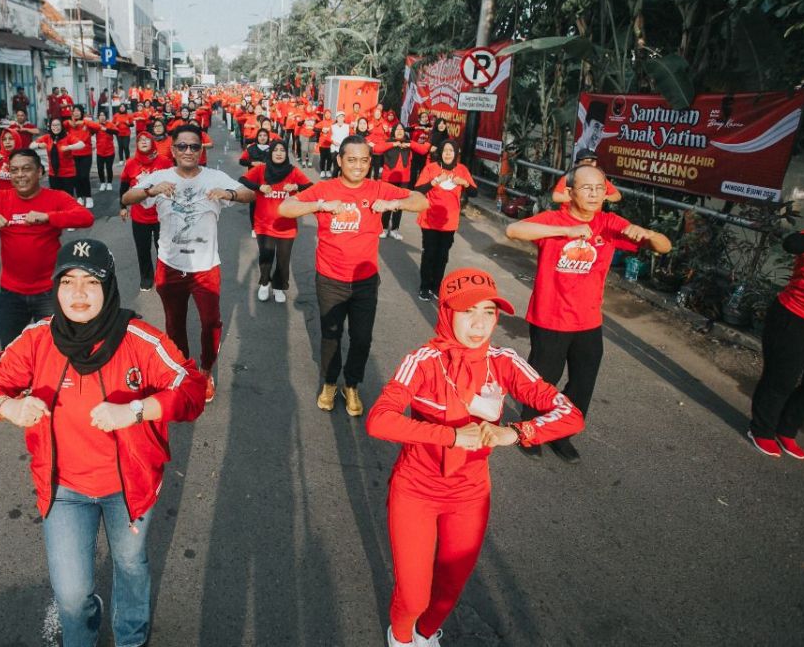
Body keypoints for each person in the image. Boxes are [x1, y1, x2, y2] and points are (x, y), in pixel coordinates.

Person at [0, 237, 206, 647]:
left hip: (128, 489)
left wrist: (134, 410)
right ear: (55, 288)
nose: (78, 294)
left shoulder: (139, 338)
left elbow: (193, 388)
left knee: (130, 565)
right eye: (67, 281)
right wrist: (9, 407)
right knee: (72, 595)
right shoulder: (37, 338)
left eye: (91, 282)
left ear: (109, 286)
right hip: (65, 490)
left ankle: (132, 638)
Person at [366, 268, 584, 647]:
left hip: (470, 494)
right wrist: (450, 435)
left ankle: (425, 634)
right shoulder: (424, 360)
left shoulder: (503, 361)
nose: (480, 324)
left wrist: (516, 432)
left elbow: (570, 415)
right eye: (468, 312)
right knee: (414, 594)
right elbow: (379, 420)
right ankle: (400, 638)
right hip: (416, 489)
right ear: (447, 312)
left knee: (449, 590)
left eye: (488, 311)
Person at [505, 164, 671, 462]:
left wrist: (646, 232)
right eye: (586, 188)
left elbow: (664, 246)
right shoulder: (555, 220)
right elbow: (514, 230)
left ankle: (561, 432)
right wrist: (566, 231)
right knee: (542, 380)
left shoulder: (608, 223)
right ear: (569, 192)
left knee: (583, 383)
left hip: (588, 322)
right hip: (550, 318)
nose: (594, 194)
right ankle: (529, 428)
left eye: (599, 188)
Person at [279, 136, 429, 416]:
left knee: (362, 338)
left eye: (363, 160)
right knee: (331, 336)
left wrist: (392, 205)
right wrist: (321, 206)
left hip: (365, 280)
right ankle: (328, 383)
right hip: (330, 280)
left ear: (370, 162)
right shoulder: (325, 189)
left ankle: (352, 384)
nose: (358, 166)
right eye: (351, 160)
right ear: (339, 160)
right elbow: (285, 208)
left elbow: (421, 201)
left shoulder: (377, 188)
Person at [121, 124, 254, 402]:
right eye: (182, 146)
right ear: (173, 150)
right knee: (174, 324)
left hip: (205, 267)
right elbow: (126, 197)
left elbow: (249, 195)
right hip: (170, 265)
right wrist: (151, 190)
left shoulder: (214, 176)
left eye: (194, 146)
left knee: (210, 323)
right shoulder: (159, 176)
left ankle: (205, 371)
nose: (188, 151)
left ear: (200, 149)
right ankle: (182, 369)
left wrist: (227, 194)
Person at [0, 149, 93, 347]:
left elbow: (85, 217)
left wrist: (48, 217)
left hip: (49, 291)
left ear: (40, 172)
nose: (19, 175)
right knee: (10, 351)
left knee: (57, 349)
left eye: (26, 169)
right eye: (14, 170)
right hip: (11, 293)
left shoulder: (56, 197)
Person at [747, 228, 804, 459]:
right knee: (780, 381)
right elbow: (791, 243)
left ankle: (786, 429)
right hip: (795, 318)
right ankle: (762, 430)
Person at [240, 140, 311, 303]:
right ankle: (265, 283)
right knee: (266, 257)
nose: (279, 153)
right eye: (275, 150)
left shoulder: (293, 171)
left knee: (283, 259)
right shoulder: (261, 169)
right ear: (270, 153)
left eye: (282, 150)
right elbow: (242, 179)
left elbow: (310, 186)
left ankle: (279, 287)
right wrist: (258, 187)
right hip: (264, 224)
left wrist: (296, 187)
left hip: (287, 226)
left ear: (287, 153)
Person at [413, 141, 477, 299]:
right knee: (429, 253)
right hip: (429, 219)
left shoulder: (461, 169)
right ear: (440, 152)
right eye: (445, 150)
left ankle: (436, 286)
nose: (448, 153)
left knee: (442, 256)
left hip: (449, 221)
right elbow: (418, 189)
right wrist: (435, 181)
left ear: (456, 153)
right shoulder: (431, 168)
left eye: (451, 150)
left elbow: (474, 192)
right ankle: (424, 287)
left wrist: (464, 183)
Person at [119, 132, 173, 292]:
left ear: (152, 143)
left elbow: (175, 183)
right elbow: (123, 187)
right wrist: (122, 207)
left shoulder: (164, 162)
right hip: (139, 216)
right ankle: (146, 278)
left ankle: (164, 278)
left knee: (163, 249)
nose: (143, 142)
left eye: (146, 140)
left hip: (161, 216)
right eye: (140, 140)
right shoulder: (130, 163)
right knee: (142, 250)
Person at [377, 122, 415, 238]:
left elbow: (422, 150)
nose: (399, 131)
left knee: (399, 204)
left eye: (401, 129)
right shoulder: (388, 142)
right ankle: (383, 228)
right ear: (393, 131)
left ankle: (394, 229)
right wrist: (394, 144)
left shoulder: (408, 143)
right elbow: (377, 149)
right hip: (389, 178)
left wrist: (409, 145)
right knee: (387, 204)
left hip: (403, 179)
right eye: (397, 129)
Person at [34, 119, 86, 195]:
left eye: (58, 125)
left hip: (67, 174)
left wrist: (69, 147)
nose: (56, 127)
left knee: (67, 196)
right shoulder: (47, 137)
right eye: (53, 125)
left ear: (61, 126)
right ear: (50, 127)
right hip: (53, 174)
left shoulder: (67, 137)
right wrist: (38, 145)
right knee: (55, 196)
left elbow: (81, 144)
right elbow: (32, 145)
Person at [551, 150, 621, 204]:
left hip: (593, 219)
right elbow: (556, 197)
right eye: (585, 161)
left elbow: (617, 196)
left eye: (592, 161)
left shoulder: (600, 179)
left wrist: (604, 197)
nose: (589, 164)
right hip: (570, 218)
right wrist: (576, 197)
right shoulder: (569, 177)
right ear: (577, 164)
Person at [93, 111, 117, 192]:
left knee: (109, 168)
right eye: (100, 115)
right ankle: (102, 183)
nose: (102, 117)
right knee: (100, 168)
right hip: (100, 152)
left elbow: (117, 132)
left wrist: (106, 129)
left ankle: (109, 183)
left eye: (103, 115)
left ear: (106, 117)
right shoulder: (96, 125)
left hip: (110, 151)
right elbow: (90, 132)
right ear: (98, 117)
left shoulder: (110, 124)